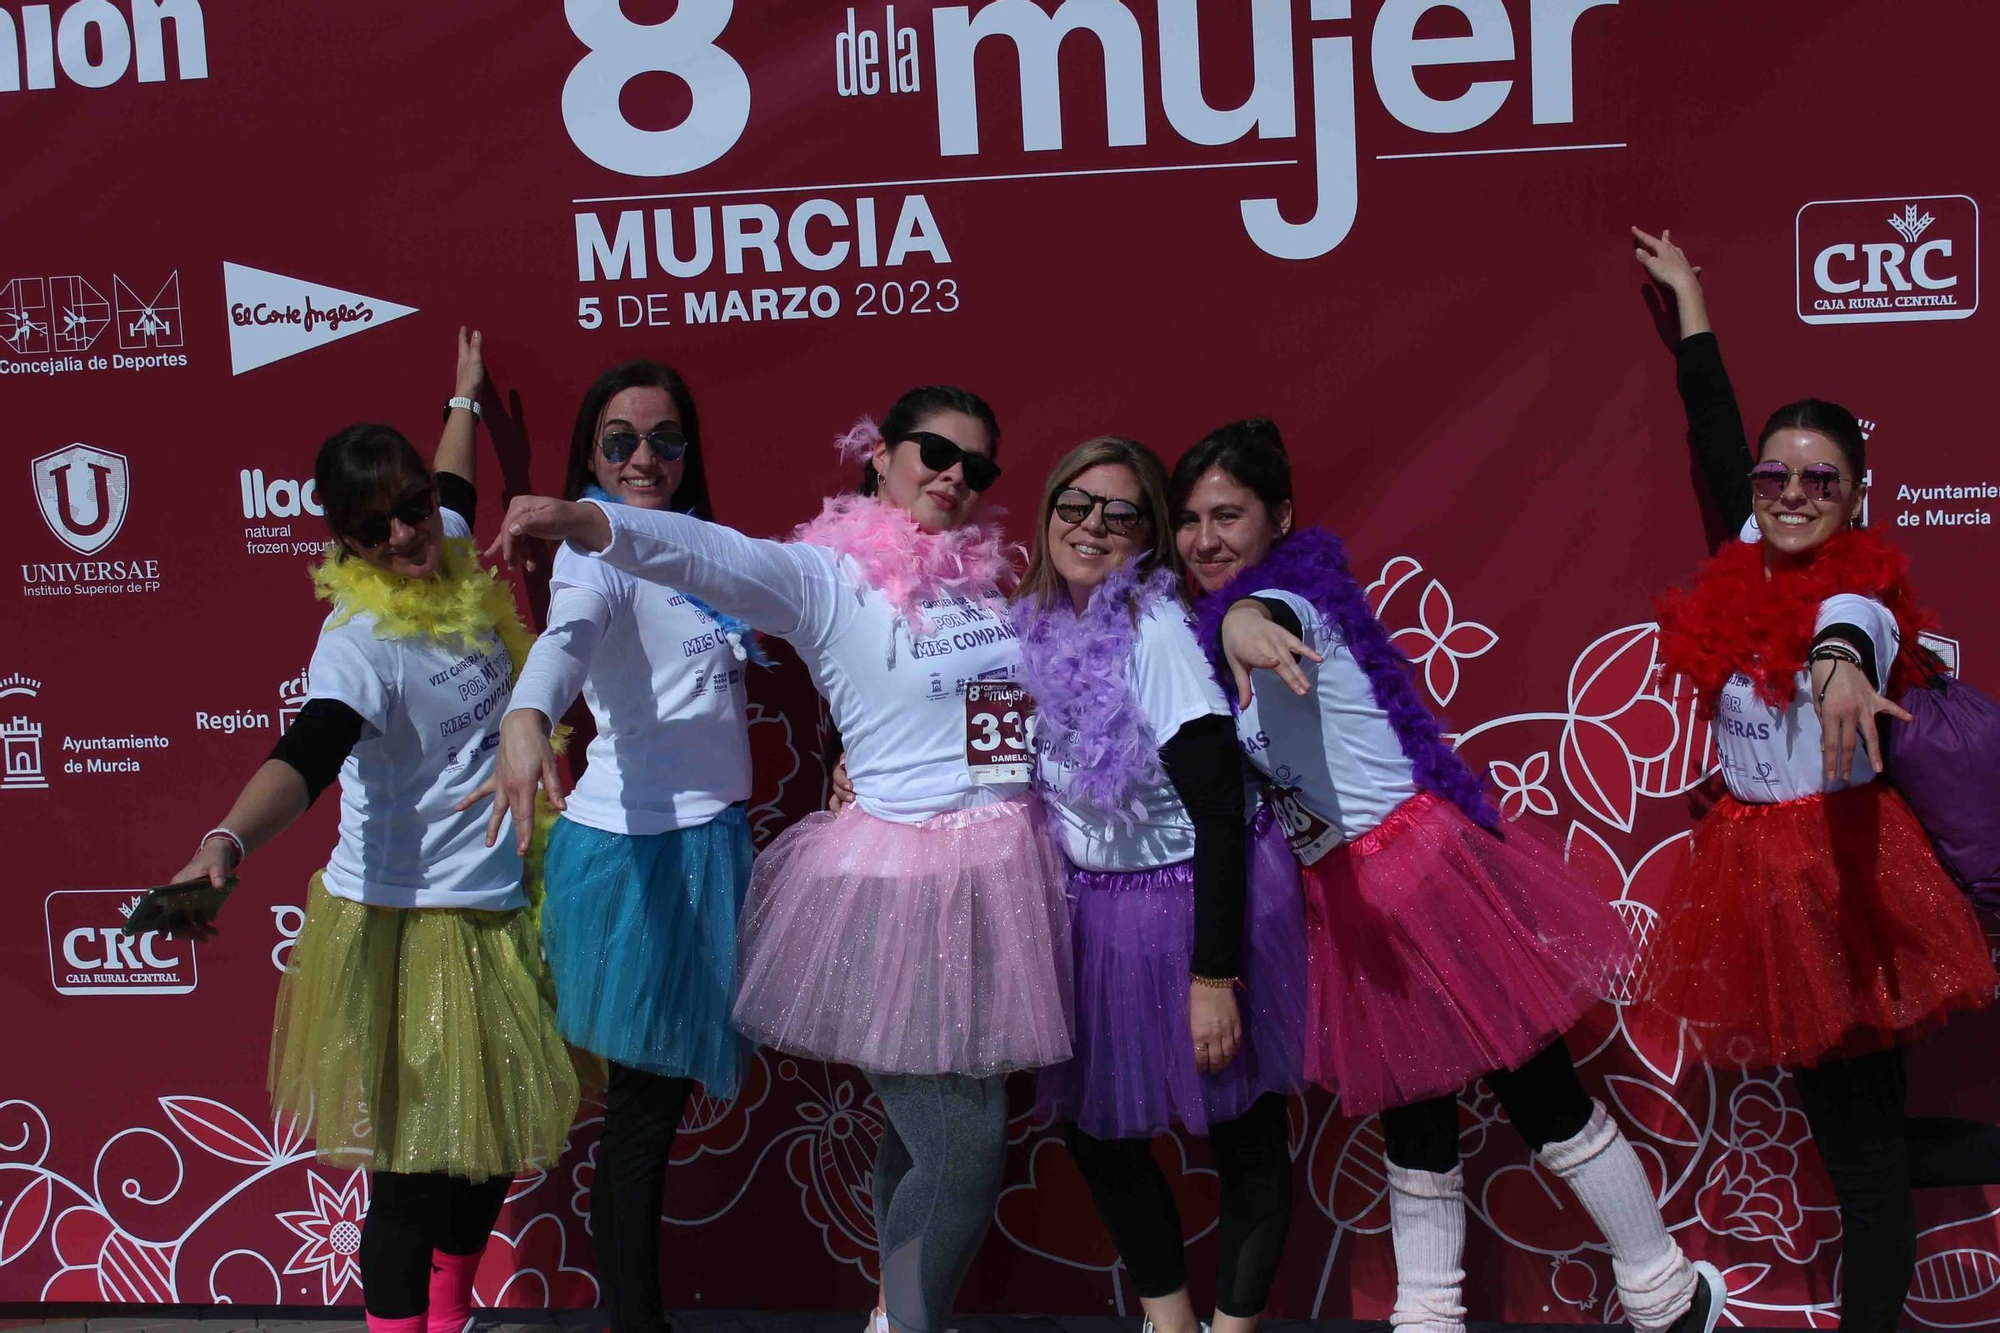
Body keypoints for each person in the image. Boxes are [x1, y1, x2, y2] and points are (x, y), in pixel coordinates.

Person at [483, 387, 1072, 1333]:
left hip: (995, 881)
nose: (956, 475)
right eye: (935, 452)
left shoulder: (978, 574)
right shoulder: (824, 576)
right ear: (879, 455)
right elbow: (703, 551)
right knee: (964, 1146)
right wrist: (588, 522)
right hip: (897, 889)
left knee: (922, 1137)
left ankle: (893, 1310)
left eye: (979, 465)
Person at [1171, 420, 1723, 1333]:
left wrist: (1242, 620)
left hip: (1421, 878)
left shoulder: (1286, 603)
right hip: (1346, 902)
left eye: (1228, 515)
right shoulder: (1208, 646)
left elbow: (1266, 617)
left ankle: (1664, 1294)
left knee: (1545, 1102)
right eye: (1190, 520)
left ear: (1282, 518)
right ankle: (1429, 1319)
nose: (1205, 540)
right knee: (1414, 1131)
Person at [166, 330, 581, 1333]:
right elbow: (306, 752)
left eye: (406, 507)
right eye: (375, 526)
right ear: (342, 543)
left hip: (497, 903)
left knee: (489, 1152)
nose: (406, 532)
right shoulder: (358, 645)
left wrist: (467, 399)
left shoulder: (440, 543)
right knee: (409, 1176)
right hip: (411, 925)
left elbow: (453, 481)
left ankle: (447, 1313)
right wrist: (226, 841)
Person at [1635, 227, 2000, 1333]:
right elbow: (1709, 435)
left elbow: (1850, 627)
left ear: (1856, 495)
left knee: (1864, 1164)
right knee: (1854, 1142)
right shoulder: (1747, 542)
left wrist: (1840, 664)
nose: (1792, 492)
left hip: (1841, 883)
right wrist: (1692, 305)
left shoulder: (1867, 593)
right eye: (1776, 474)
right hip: (1757, 881)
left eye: (1818, 479)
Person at [465, 360, 757, 1333]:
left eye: (665, 438)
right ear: (589, 455)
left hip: (706, 845)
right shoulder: (595, 553)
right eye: (620, 441)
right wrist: (524, 716)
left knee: (651, 1116)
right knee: (639, 1121)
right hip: (639, 863)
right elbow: (567, 636)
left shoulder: (708, 545)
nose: (644, 459)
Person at [1010, 437, 1305, 1333]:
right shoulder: (1030, 621)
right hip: (1097, 910)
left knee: (1243, 1126)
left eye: (1122, 512)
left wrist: (1213, 977)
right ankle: (1170, 1324)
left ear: (1146, 541)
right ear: (1048, 509)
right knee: (1101, 1133)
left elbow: (1218, 808)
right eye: (1076, 504)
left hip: (1195, 901)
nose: (1092, 526)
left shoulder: (1156, 628)